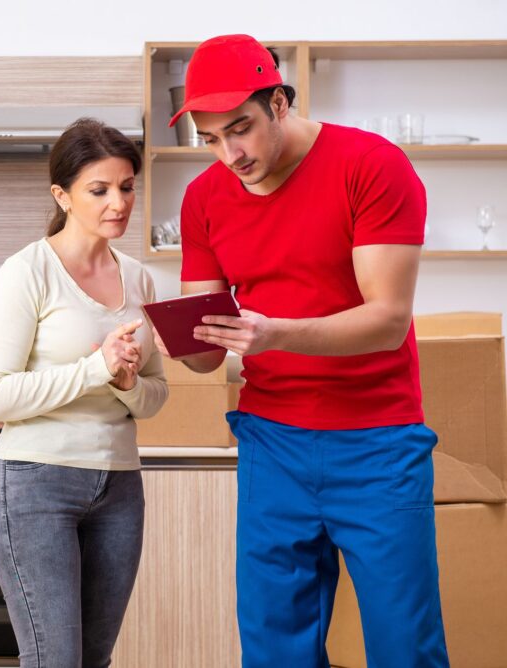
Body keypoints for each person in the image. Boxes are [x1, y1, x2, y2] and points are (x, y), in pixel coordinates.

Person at [160, 34, 449, 668]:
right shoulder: (204, 198)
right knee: (273, 648)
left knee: (405, 646)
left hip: (377, 441)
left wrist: (277, 333)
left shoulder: (370, 165)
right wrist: (171, 339)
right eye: (211, 139)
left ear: (281, 103)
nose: (230, 154)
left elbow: (388, 321)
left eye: (241, 129)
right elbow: (207, 356)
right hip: (272, 444)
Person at [0, 117, 168, 668]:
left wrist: (129, 384)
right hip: (37, 482)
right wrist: (95, 369)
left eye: (127, 187)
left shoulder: (140, 279)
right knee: (54, 660)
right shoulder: (26, 272)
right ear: (62, 195)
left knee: (94, 659)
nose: (119, 203)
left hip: (120, 486)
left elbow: (156, 393)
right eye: (99, 190)